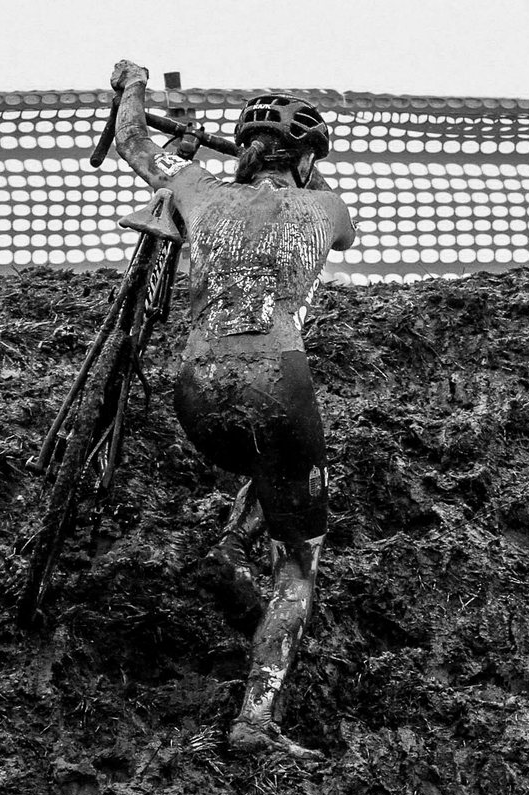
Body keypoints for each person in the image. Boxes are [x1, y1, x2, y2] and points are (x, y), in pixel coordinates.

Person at [109, 60, 356, 759]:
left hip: (199, 386)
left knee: (250, 459)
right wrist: (296, 174)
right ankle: (254, 719)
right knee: (298, 565)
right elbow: (341, 227)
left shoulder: (196, 190)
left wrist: (132, 89)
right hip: (280, 383)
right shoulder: (325, 207)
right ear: (306, 158)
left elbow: (133, 143)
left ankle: (225, 552)